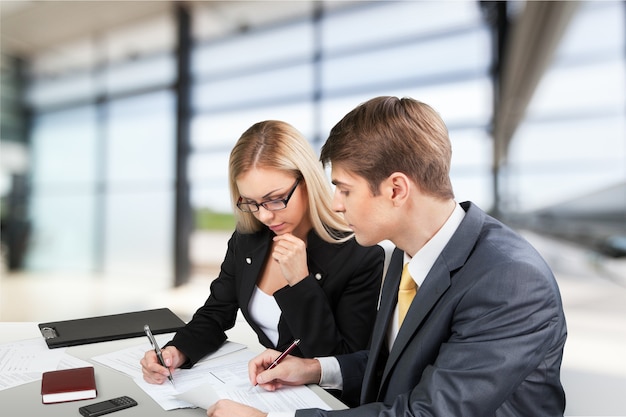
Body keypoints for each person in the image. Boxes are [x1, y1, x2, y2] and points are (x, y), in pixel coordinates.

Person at [207, 96, 567, 417]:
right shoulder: (407, 255)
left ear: (396, 189)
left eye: (344, 189)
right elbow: (398, 365)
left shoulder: (511, 280)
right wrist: (314, 369)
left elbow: (430, 412)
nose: (335, 203)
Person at [141, 120, 384, 384]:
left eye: (275, 198)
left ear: (307, 181)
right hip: (267, 388)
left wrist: (301, 283)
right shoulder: (249, 239)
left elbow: (342, 360)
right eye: (252, 203)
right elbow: (216, 312)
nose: (266, 215)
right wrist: (177, 351)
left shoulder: (360, 255)